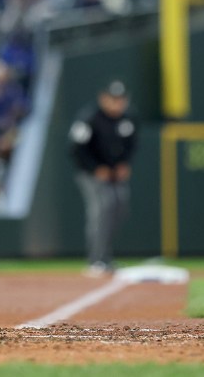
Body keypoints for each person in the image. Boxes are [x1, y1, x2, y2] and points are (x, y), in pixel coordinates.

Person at [68, 79, 137, 277]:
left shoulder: (128, 118)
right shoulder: (89, 118)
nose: (118, 103)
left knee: (120, 208)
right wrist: (95, 168)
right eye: (114, 99)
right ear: (103, 98)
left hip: (115, 174)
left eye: (121, 99)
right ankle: (95, 260)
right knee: (102, 207)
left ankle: (106, 257)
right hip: (90, 175)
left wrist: (125, 163)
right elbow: (75, 149)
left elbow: (132, 144)